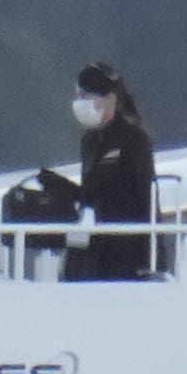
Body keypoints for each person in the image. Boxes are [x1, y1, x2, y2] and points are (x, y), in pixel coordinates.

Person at [62, 62, 158, 281]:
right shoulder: (89, 142)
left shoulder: (133, 138)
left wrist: (155, 254)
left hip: (128, 248)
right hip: (97, 246)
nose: (81, 102)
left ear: (111, 98)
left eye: (88, 95)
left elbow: (147, 195)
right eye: (78, 95)